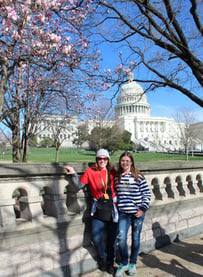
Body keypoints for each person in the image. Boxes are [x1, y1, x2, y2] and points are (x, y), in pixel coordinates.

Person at [64, 149, 118, 275]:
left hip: (112, 208)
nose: (102, 161)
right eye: (100, 159)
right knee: (96, 236)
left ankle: (110, 263)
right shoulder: (90, 171)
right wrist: (73, 174)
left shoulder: (112, 172)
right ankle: (103, 258)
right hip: (98, 208)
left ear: (108, 160)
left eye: (105, 159)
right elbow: (78, 185)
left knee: (112, 239)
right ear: (96, 160)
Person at [114, 151, 151, 277]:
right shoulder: (117, 176)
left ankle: (132, 263)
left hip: (137, 213)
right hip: (123, 213)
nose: (124, 163)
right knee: (121, 238)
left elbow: (147, 193)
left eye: (127, 161)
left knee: (135, 238)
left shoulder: (138, 176)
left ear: (131, 162)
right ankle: (124, 263)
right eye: (122, 161)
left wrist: (143, 208)